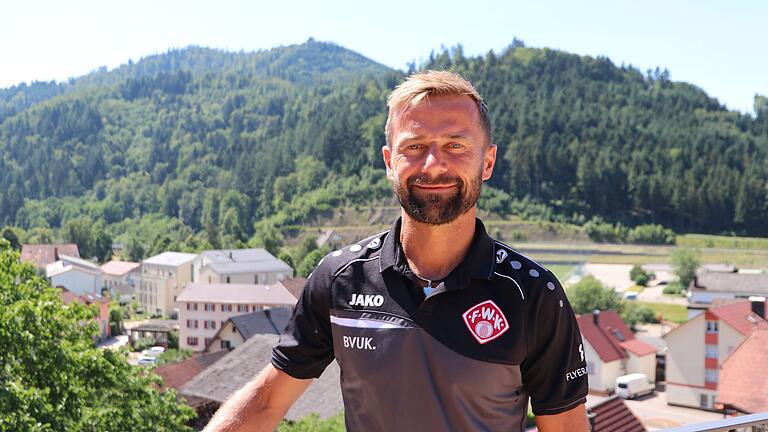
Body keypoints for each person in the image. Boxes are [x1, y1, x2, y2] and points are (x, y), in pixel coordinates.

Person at [205, 71, 589, 431]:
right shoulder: (339, 278)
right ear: (390, 162)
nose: (434, 164)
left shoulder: (533, 295)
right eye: (415, 146)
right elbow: (268, 400)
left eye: (455, 145)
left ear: (486, 162)